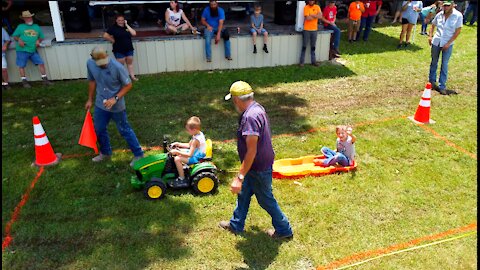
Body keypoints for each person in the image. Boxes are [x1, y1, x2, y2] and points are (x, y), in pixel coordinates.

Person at [219, 81, 293, 240]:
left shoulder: (250, 118)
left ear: (237, 100)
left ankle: (284, 229)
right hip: (256, 165)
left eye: (233, 100)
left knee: (266, 199)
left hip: (258, 167)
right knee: (244, 194)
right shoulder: (257, 108)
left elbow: (251, 151)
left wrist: (239, 177)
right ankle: (236, 224)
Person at [85, 46, 144, 167]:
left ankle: (139, 154)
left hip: (117, 106)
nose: (103, 65)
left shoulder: (117, 67)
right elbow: (92, 81)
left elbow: (128, 85)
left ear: (107, 56)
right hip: (100, 103)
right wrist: (90, 99)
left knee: (124, 129)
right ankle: (105, 152)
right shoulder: (90, 64)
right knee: (99, 129)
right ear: (93, 59)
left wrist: (115, 98)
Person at [11, 10, 54, 88]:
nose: (29, 19)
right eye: (27, 18)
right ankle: (24, 82)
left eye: (30, 17)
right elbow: (15, 36)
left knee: (41, 63)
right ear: (24, 19)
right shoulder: (20, 26)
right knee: (21, 65)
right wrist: (19, 40)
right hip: (22, 50)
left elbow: (41, 37)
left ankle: (45, 80)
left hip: (33, 49)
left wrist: (38, 40)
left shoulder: (36, 26)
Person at [428, 0, 463, 94]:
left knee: (444, 64)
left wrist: (448, 43)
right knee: (434, 62)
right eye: (444, 5)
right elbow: (433, 25)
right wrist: (430, 36)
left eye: (448, 5)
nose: (446, 7)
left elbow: (458, 31)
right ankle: (431, 82)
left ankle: (442, 86)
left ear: (452, 5)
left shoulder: (458, 15)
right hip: (437, 41)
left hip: (448, 43)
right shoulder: (439, 14)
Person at [169, 116, 207, 188]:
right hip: (196, 152)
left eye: (188, 130)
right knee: (179, 151)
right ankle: (181, 170)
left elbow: (189, 154)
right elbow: (189, 145)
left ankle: (182, 178)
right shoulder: (198, 134)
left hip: (196, 157)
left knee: (177, 159)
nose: (187, 131)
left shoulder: (196, 140)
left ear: (194, 129)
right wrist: (178, 144)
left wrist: (177, 152)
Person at [103, 14, 139, 81]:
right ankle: (122, 78)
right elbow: (105, 35)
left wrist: (127, 25)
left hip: (129, 48)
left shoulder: (127, 27)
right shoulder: (113, 28)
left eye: (122, 20)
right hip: (119, 49)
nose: (121, 21)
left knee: (130, 63)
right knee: (120, 66)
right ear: (116, 20)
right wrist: (112, 40)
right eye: (119, 20)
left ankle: (132, 77)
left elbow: (134, 33)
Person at [299, 0, 322, 67]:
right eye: (310, 0)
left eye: (312, 0)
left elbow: (320, 16)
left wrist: (312, 15)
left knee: (313, 46)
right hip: (307, 30)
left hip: (314, 30)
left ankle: (313, 61)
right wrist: (316, 16)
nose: (311, 1)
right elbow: (307, 18)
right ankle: (301, 62)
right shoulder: (306, 7)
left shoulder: (317, 7)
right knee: (304, 46)